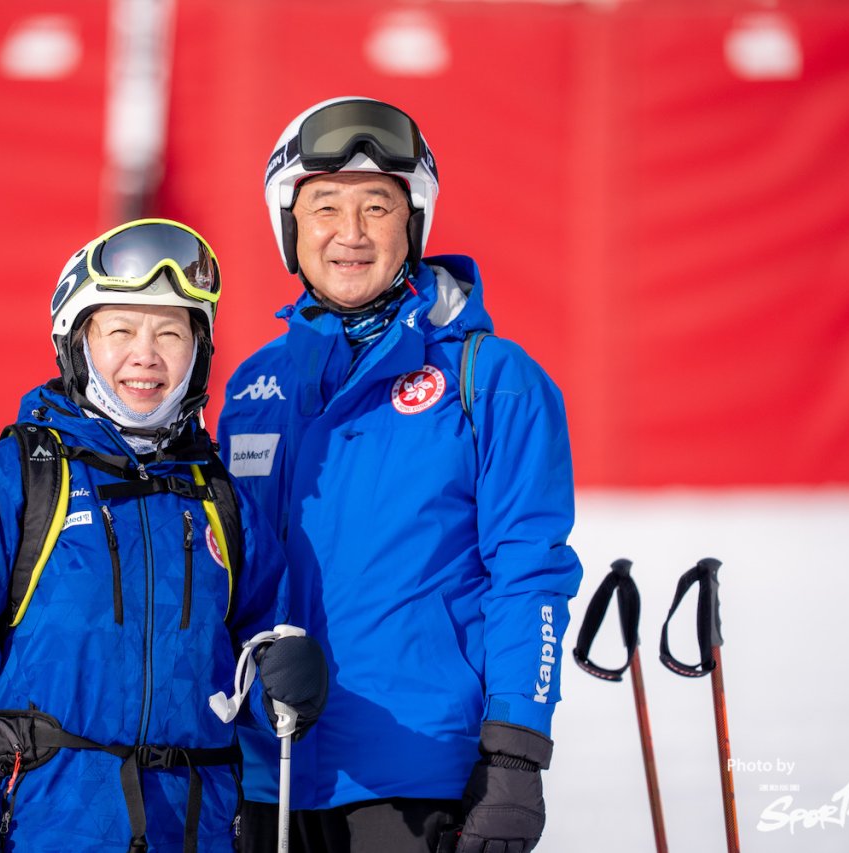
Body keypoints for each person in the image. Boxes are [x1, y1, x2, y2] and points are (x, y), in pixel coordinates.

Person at [218, 97, 583, 853]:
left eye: (377, 206)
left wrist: (516, 755)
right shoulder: (254, 390)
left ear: (413, 222)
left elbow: (531, 579)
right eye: (324, 206)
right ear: (287, 222)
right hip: (265, 777)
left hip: (417, 784)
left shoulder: (495, 381)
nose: (349, 234)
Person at [0, 219, 328, 853]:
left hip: (195, 831)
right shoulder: (8, 484)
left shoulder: (220, 498)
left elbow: (263, 636)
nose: (146, 355)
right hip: (44, 829)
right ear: (78, 342)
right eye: (121, 330)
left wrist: (284, 667)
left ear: (199, 350)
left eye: (170, 332)